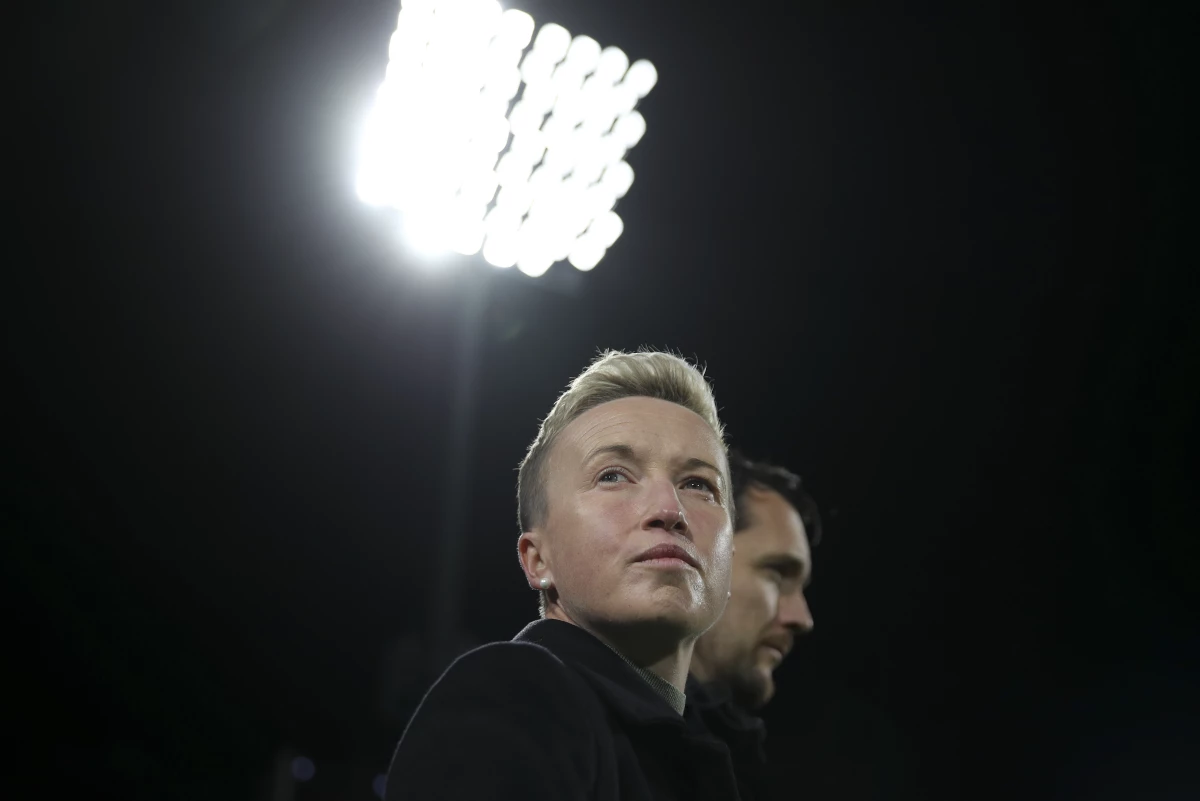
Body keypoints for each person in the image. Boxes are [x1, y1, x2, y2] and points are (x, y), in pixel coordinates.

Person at [385, 350, 742, 801]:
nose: (670, 509)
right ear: (538, 560)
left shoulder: (695, 755)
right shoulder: (512, 694)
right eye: (613, 476)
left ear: (729, 554)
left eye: (698, 484)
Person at [686, 450, 822, 801]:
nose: (802, 619)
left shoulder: (727, 763)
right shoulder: (582, 733)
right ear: (697, 556)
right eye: (777, 574)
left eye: (801, 589)